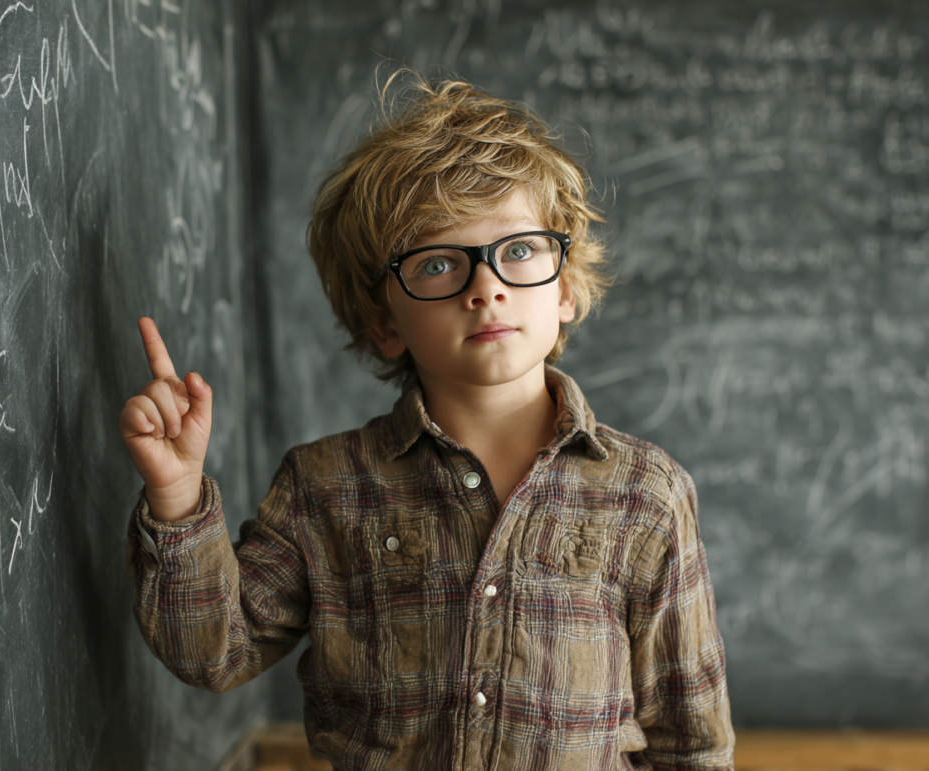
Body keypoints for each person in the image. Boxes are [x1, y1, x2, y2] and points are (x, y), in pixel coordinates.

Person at [119, 74, 734, 770]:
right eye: (438, 263)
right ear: (384, 323)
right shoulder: (326, 488)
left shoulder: (646, 494)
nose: (486, 286)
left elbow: (693, 742)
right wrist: (176, 496)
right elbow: (213, 651)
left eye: (520, 250)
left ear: (564, 287)